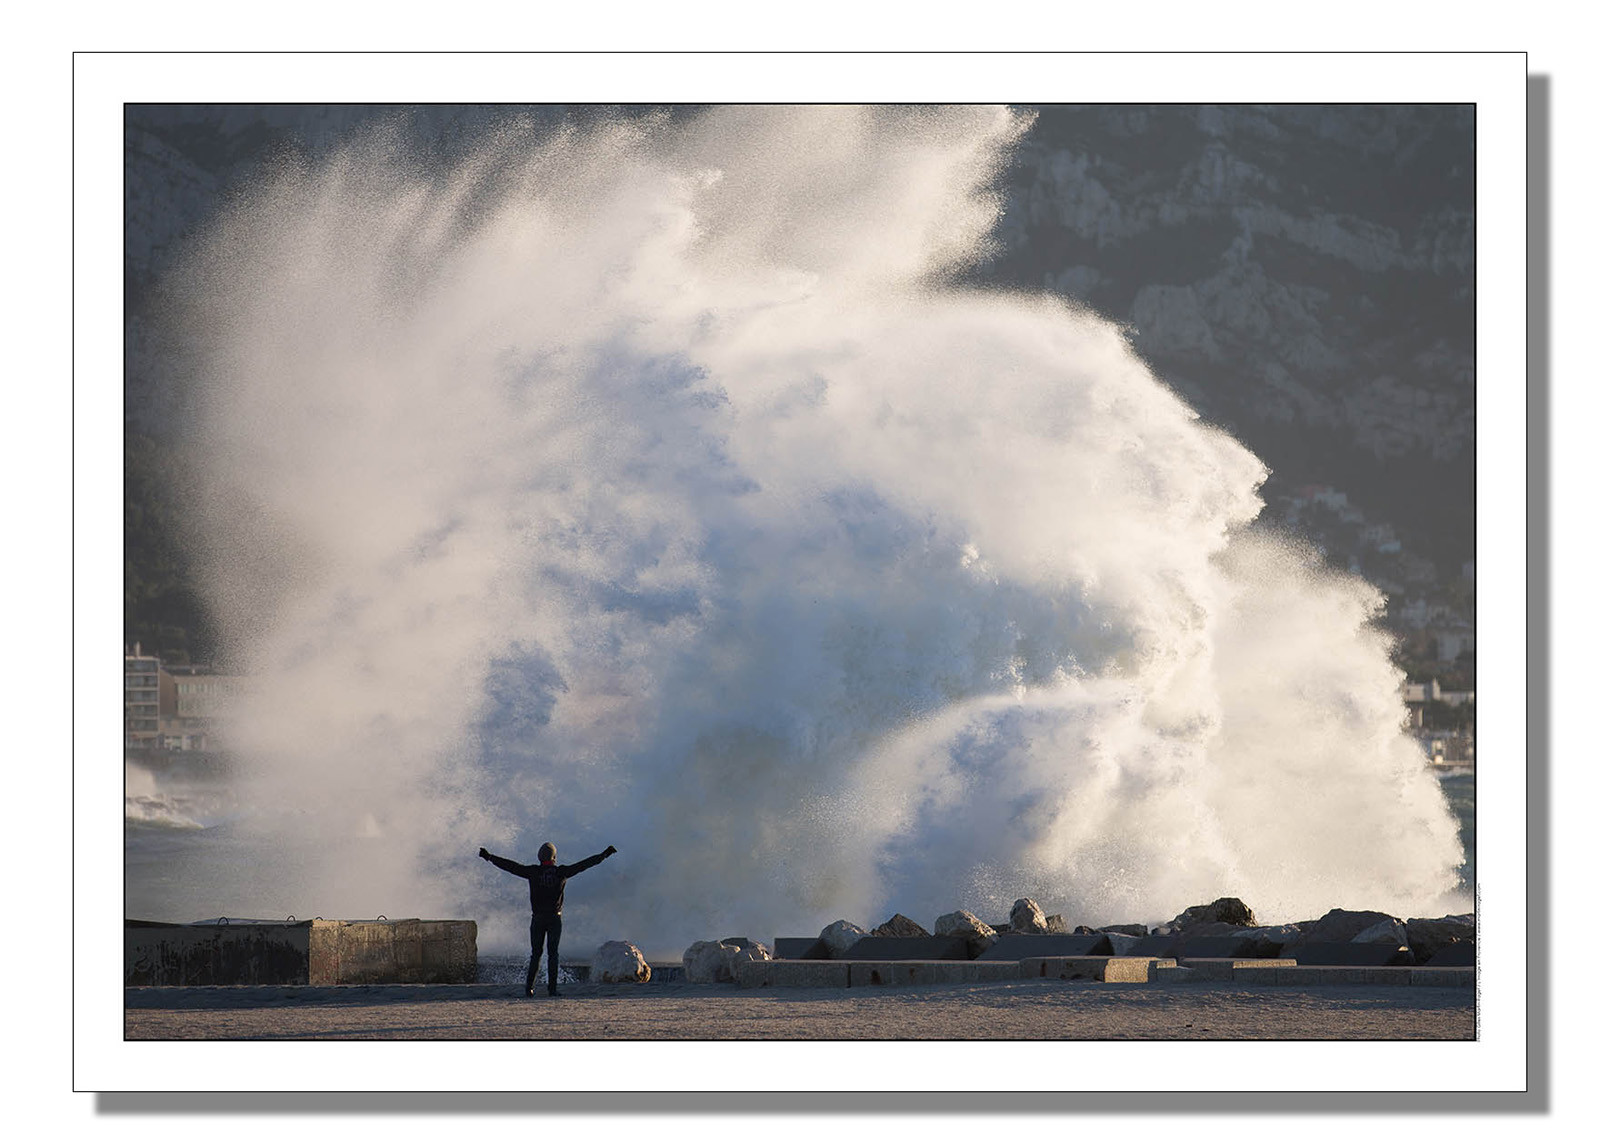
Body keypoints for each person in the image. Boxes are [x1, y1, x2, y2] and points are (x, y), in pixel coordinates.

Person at [479, 840, 617, 997]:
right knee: (553, 954)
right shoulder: (561, 872)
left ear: (539, 857)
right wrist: (604, 855)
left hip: (537, 919)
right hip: (554, 919)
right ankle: (552, 989)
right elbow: (584, 865)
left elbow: (511, 866)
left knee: (535, 954)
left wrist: (490, 857)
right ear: (554, 858)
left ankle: (529, 989)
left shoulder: (533, 872)